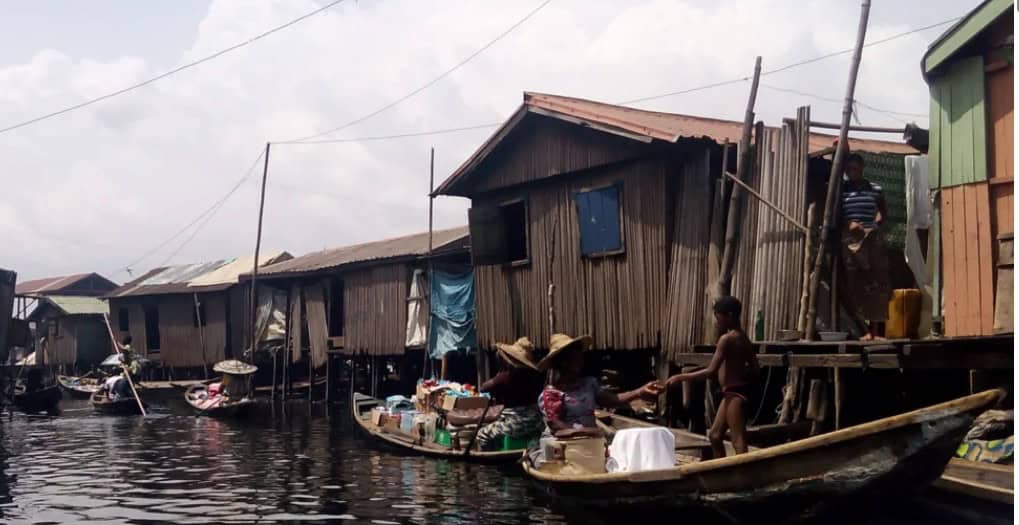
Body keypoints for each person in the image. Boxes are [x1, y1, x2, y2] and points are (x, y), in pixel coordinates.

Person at [657, 296, 758, 457]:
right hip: (733, 393)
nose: (717, 322)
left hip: (735, 394)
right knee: (715, 436)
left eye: (719, 318)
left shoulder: (726, 339)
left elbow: (711, 371)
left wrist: (681, 378)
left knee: (738, 441)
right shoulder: (743, 338)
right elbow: (755, 368)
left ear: (730, 315)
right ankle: (721, 470)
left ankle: (743, 477)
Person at [537, 333, 659, 440]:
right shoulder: (552, 394)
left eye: (580, 356)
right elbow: (555, 424)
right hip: (569, 446)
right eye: (576, 357)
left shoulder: (588, 383)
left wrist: (640, 391)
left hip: (592, 441)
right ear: (564, 362)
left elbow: (612, 399)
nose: (581, 360)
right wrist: (585, 433)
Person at [839, 152, 891, 341]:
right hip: (851, 241)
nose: (852, 172)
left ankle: (876, 330)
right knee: (855, 284)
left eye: (855, 168)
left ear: (862, 169)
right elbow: (836, 214)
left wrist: (875, 226)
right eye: (849, 169)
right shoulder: (842, 191)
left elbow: (883, 213)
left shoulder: (875, 189)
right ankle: (863, 330)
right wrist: (849, 224)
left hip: (871, 239)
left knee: (875, 284)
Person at [475, 337, 546, 451]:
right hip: (537, 420)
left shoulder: (507, 376)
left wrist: (498, 378)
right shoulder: (535, 376)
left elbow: (483, 388)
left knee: (482, 434)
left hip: (519, 420)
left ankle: (490, 463)